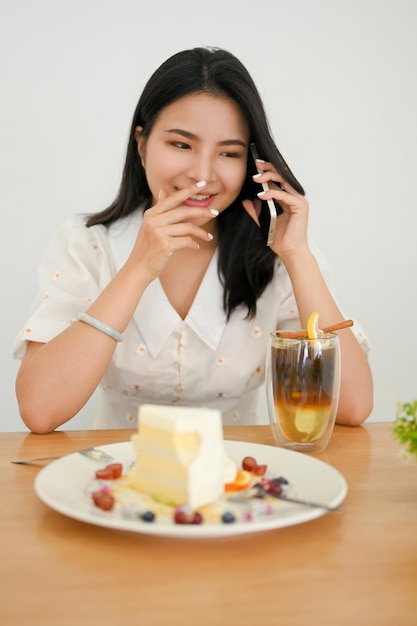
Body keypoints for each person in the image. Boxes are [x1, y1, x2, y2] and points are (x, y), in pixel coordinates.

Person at [13, 47, 373, 434]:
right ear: (141, 143)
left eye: (228, 153)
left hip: (240, 481)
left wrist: (298, 256)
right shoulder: (86, 245)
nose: (202, 175)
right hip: (120, 480)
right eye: (181, 145)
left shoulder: (279, 249)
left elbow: (353, 407)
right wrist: (137, 270)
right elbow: (40, 410)